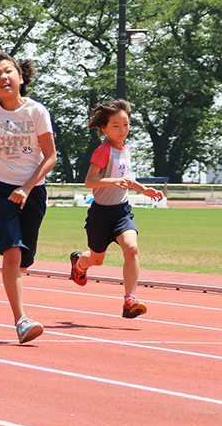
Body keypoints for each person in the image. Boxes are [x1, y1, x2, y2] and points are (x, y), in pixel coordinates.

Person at [0, 44, 56, 344]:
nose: (3, 77)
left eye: (8, 71)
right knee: (12, 254)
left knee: (25, 261)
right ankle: (21, 320)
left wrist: (27, 187)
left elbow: (51, 157)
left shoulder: (36, 111)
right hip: (1, 189)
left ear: (20, 76)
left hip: (33, 190)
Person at [69, 98, 163, 319]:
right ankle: (79, 264)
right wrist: (111, 181)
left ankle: (129, 299)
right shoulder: (104, 151)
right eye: (116, 125)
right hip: (101, 214)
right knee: (96, 259)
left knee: (131, 249)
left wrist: (144, 189)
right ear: (103, 128)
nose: (123, 130)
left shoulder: (127, 150)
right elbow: (90, 181)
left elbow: (126, 178)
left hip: (121, 211)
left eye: (126, 124)